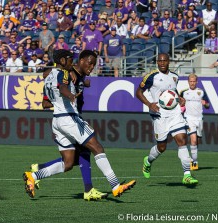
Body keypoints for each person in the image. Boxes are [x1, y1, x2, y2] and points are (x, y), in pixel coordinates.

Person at [23, 49, 136, 199]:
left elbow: (45, 101)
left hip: (57, 120)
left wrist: (82, 84)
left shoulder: (51, 76)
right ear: (64, 61)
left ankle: (34, 175)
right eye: (71, 59)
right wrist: (70, 95)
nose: (91, 67)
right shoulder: (66, 73)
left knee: (68, 163)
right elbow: (63, 87)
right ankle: (115, 186)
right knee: (97, 147)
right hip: (68, 117)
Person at [136, 53, 199, 186]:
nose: (162, 63)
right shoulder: (151, 76)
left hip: (175, 114)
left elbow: (173, 92)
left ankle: (187, 175)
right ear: (157, 62)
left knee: (182, 140)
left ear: (169, 62)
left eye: (165, 61)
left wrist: (179, 98)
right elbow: (138, 92)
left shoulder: (174, 76)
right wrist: (149, 104)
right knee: (162, 147)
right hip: (160, 116)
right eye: (160, 61)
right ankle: (148, 161)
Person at [180, 74, 210, 170]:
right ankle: (194, 163)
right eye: (190, 81)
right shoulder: (183, 92)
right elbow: (179, 104)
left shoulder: (201, 92)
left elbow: (208, 105)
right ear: (188, 82)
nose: (192, 83)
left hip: (199, 119)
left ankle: (193, 159)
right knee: (193, 140)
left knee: (196, 142)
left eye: (194, 81)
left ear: (196, 82)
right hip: (189, 119)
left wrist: (205, 104)